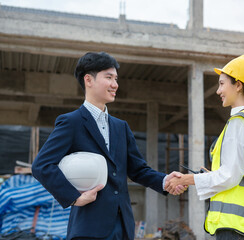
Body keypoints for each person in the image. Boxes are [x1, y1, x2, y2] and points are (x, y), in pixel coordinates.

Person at [32, 52, 185, 240]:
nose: (115, 85)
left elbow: (138, 170)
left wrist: (165, 180)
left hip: (123, 227)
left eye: (116, 79)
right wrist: (74, 197)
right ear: (88, 80)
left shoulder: (121, 127)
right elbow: (42, 165)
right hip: (89, 227)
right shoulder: (72, 122)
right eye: (109, 77)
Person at [165, 55, 244, 240]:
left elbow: (230, 176)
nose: (218, 91)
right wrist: (207, 176)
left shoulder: (239, 122)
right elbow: (239, 174)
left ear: (238, 85)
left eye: (222, 84)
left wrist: (187, 179)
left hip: (236, 229)